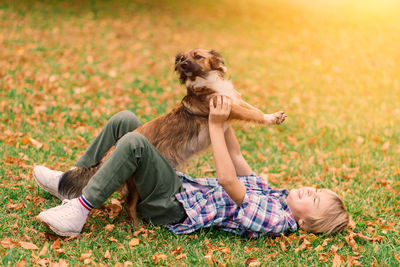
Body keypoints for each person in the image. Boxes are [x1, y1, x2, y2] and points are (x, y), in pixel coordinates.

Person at [34, 96, 349, 237]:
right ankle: (71, 182)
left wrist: (213, 126)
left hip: (171, 207)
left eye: (315, 200)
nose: (311, 190)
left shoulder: (276, 219)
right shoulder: (272, 194)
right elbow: (237, 159)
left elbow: (228, 179)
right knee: (126, 121)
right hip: (176, 185)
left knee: (134, 144)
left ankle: (79, 210)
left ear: (305, 224)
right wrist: (224, 117)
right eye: (318, 189)